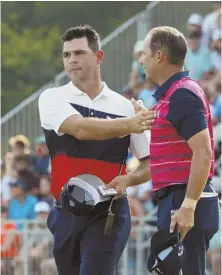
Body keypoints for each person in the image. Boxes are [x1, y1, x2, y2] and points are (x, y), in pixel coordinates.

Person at [38, 25, 155, 275]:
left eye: (79, 53)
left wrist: (130, 178)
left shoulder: (125, 107)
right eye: (67, 55)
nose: (72, 60)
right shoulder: (52, 98)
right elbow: (80, 128)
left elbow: (149, 162)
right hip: (66, 211)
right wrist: (131, 123)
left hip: (109, 210)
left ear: (99, 56)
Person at [109, 26, 220, 275]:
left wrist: (189, 205)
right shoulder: (171, 94)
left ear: (159, 56)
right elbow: (166, 154)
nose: (140, 60)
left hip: (184, 199)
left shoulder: (182, 94)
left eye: (144, 53)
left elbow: (203, 152)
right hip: (176, 198)